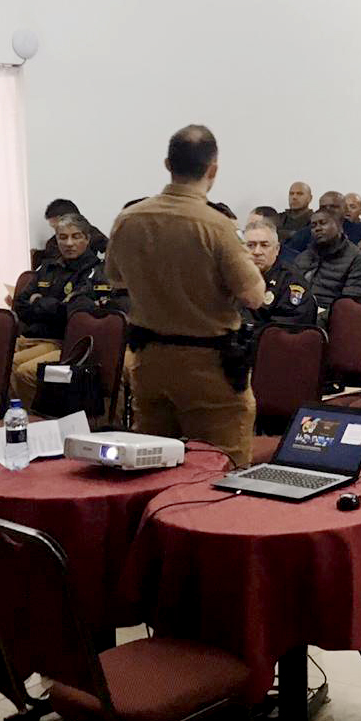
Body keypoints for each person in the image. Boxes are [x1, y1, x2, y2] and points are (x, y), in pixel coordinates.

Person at [105, 125, 265, 466]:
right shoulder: (216, 226)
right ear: (213, 170)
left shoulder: (129, 219)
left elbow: (115, 279)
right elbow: (253, 296)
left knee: (152, 465)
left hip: (149, 361)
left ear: (167, 164)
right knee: (222, 469)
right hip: (208, 366)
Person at [10, 214, 99, 406]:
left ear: (87, 239)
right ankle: (5, 419)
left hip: (59, 342)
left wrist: (38, 301)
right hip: (29, 337)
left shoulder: (94, 271)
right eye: (62, 237)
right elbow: (20, 304)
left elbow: (70, 313)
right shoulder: (48, 266)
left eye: (76, 236)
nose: (68, 243)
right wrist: (49, 304)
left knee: (19, 369)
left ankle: (34, 422)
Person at [292, 205, 361, 323]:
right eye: (313, 225)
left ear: (339, 227)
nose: (318, 228)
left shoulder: (359, 261)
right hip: (297, 316)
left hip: (332, 322)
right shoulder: (303, 258)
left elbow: (348, 307)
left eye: (323, 223)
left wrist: (311, 319)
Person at [240, 219, 317, 335]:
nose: (257, 252)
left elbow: (285, 332)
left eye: (264, 245)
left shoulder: (292, 283)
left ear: (277, 249)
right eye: (250, 245)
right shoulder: (233, 276)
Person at [36, 199, 109, 267]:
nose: (69, 243)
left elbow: (111, 248)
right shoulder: (52, 244)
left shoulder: (90, 232)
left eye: (76, 236)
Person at [279, 181, 313, 245]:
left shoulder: (315, 220)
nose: (294, 197)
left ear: (310, 198)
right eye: (291, 194)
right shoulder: (278, 218)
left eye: (300, 194)